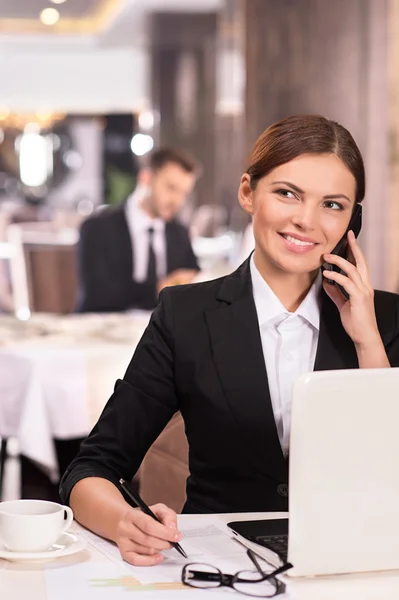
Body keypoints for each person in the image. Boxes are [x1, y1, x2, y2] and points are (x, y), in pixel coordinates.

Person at [60, 115, 399, 567]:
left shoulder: (387, 320)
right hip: (221, 567)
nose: (306, 220)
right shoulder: (185, 315)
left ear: (352, 219)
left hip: (358, 565)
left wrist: (368, 342)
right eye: (287, 193)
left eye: (332, 205)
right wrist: (124, 521)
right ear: (248, 193)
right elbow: (91, 468)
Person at [76, 148, 201, 312]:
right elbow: (98, 293)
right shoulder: (97, 228)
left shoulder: (179, 233)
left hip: (160, 332)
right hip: (102, 328)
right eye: (171, 188)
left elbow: (194, 279)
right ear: (146, 178)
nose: (177, 201)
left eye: (184, 193)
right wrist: (158, 289)